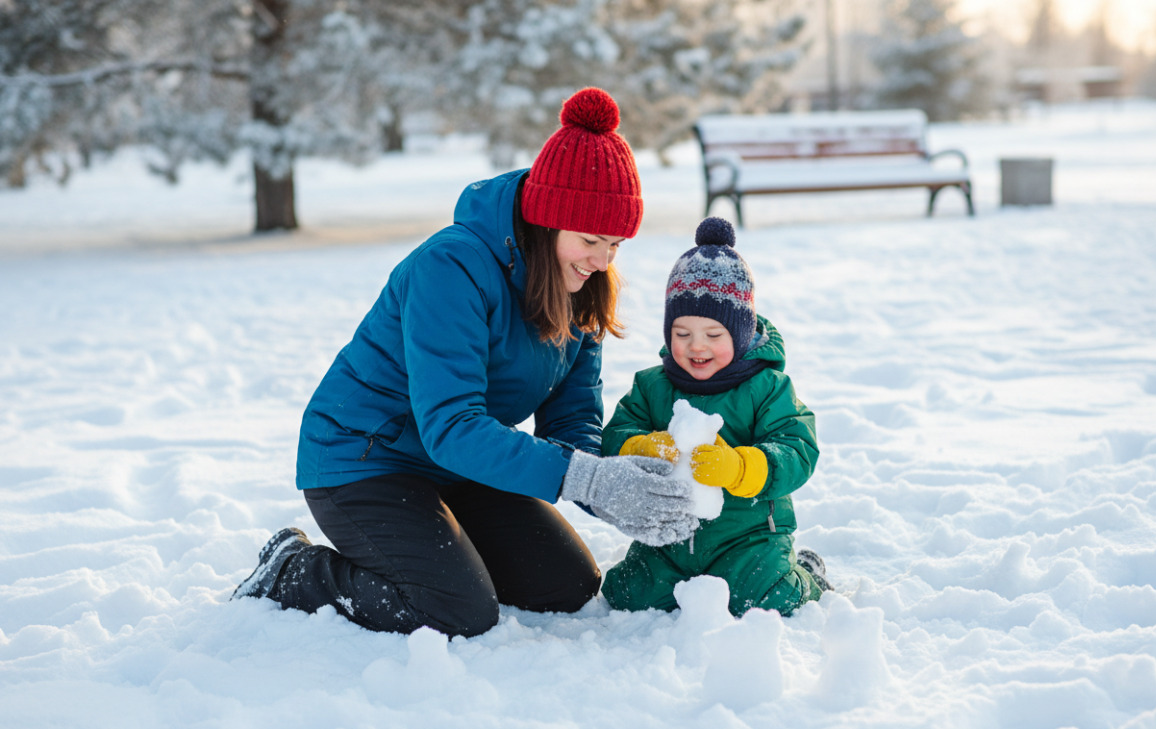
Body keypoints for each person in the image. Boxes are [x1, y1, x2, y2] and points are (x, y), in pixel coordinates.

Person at [231, 87, 698, 637]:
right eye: (591, 240)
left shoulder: (584, 288)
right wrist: (588, 481)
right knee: (454, 610)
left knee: (564, 586)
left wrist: (622, 486)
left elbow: (571, 426)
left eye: (616, 245)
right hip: (364, 458)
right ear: (549, 222)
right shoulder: (451, 268)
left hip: (458, 465)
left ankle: (441, 553)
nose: (601, 262)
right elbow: (450, 425)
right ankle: (293, 570)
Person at [600, 216, 832, 617]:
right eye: (682, 333)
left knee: (765, 596)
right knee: (626, 594)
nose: (696, 347)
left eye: (713, 334)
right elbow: (616, 432)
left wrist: (739, 467)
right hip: (668, 538)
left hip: (747, 538)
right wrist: (641, 445)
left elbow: (797, 447)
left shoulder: (768, 387)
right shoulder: (652, 386)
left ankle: (806, 575)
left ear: (740, 334)